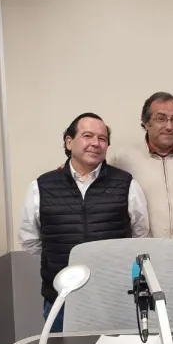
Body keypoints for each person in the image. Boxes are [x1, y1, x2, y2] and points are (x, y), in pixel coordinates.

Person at [19, 112, 149, 332]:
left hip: (114, 298)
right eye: (87, 136)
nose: (95, 143)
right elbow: (30, 241)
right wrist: (59, 260)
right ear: (69, 142)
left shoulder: (126, 184)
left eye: (102, 138)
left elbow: (140, 234)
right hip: (62, 299)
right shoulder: (41, 187)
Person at [107, 92, 173, 324]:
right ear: (146, 122)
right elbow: (95, 179)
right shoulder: (123, 159)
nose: (169, 126)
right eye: (161, 118)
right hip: (145, 265)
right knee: (148, 328)